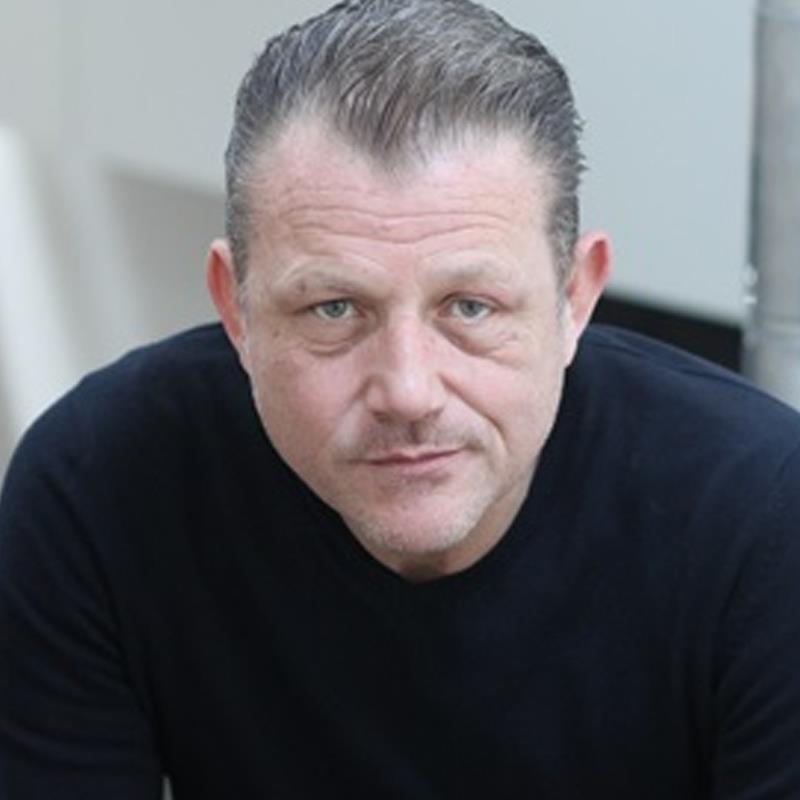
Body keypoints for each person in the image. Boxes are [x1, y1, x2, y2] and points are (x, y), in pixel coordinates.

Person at [1, 0, 799, 796]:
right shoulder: (99, 485)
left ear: (574, 298)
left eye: (471, 308)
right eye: (335, 309)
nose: (409, 392)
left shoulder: (762, 518)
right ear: (236, 308)